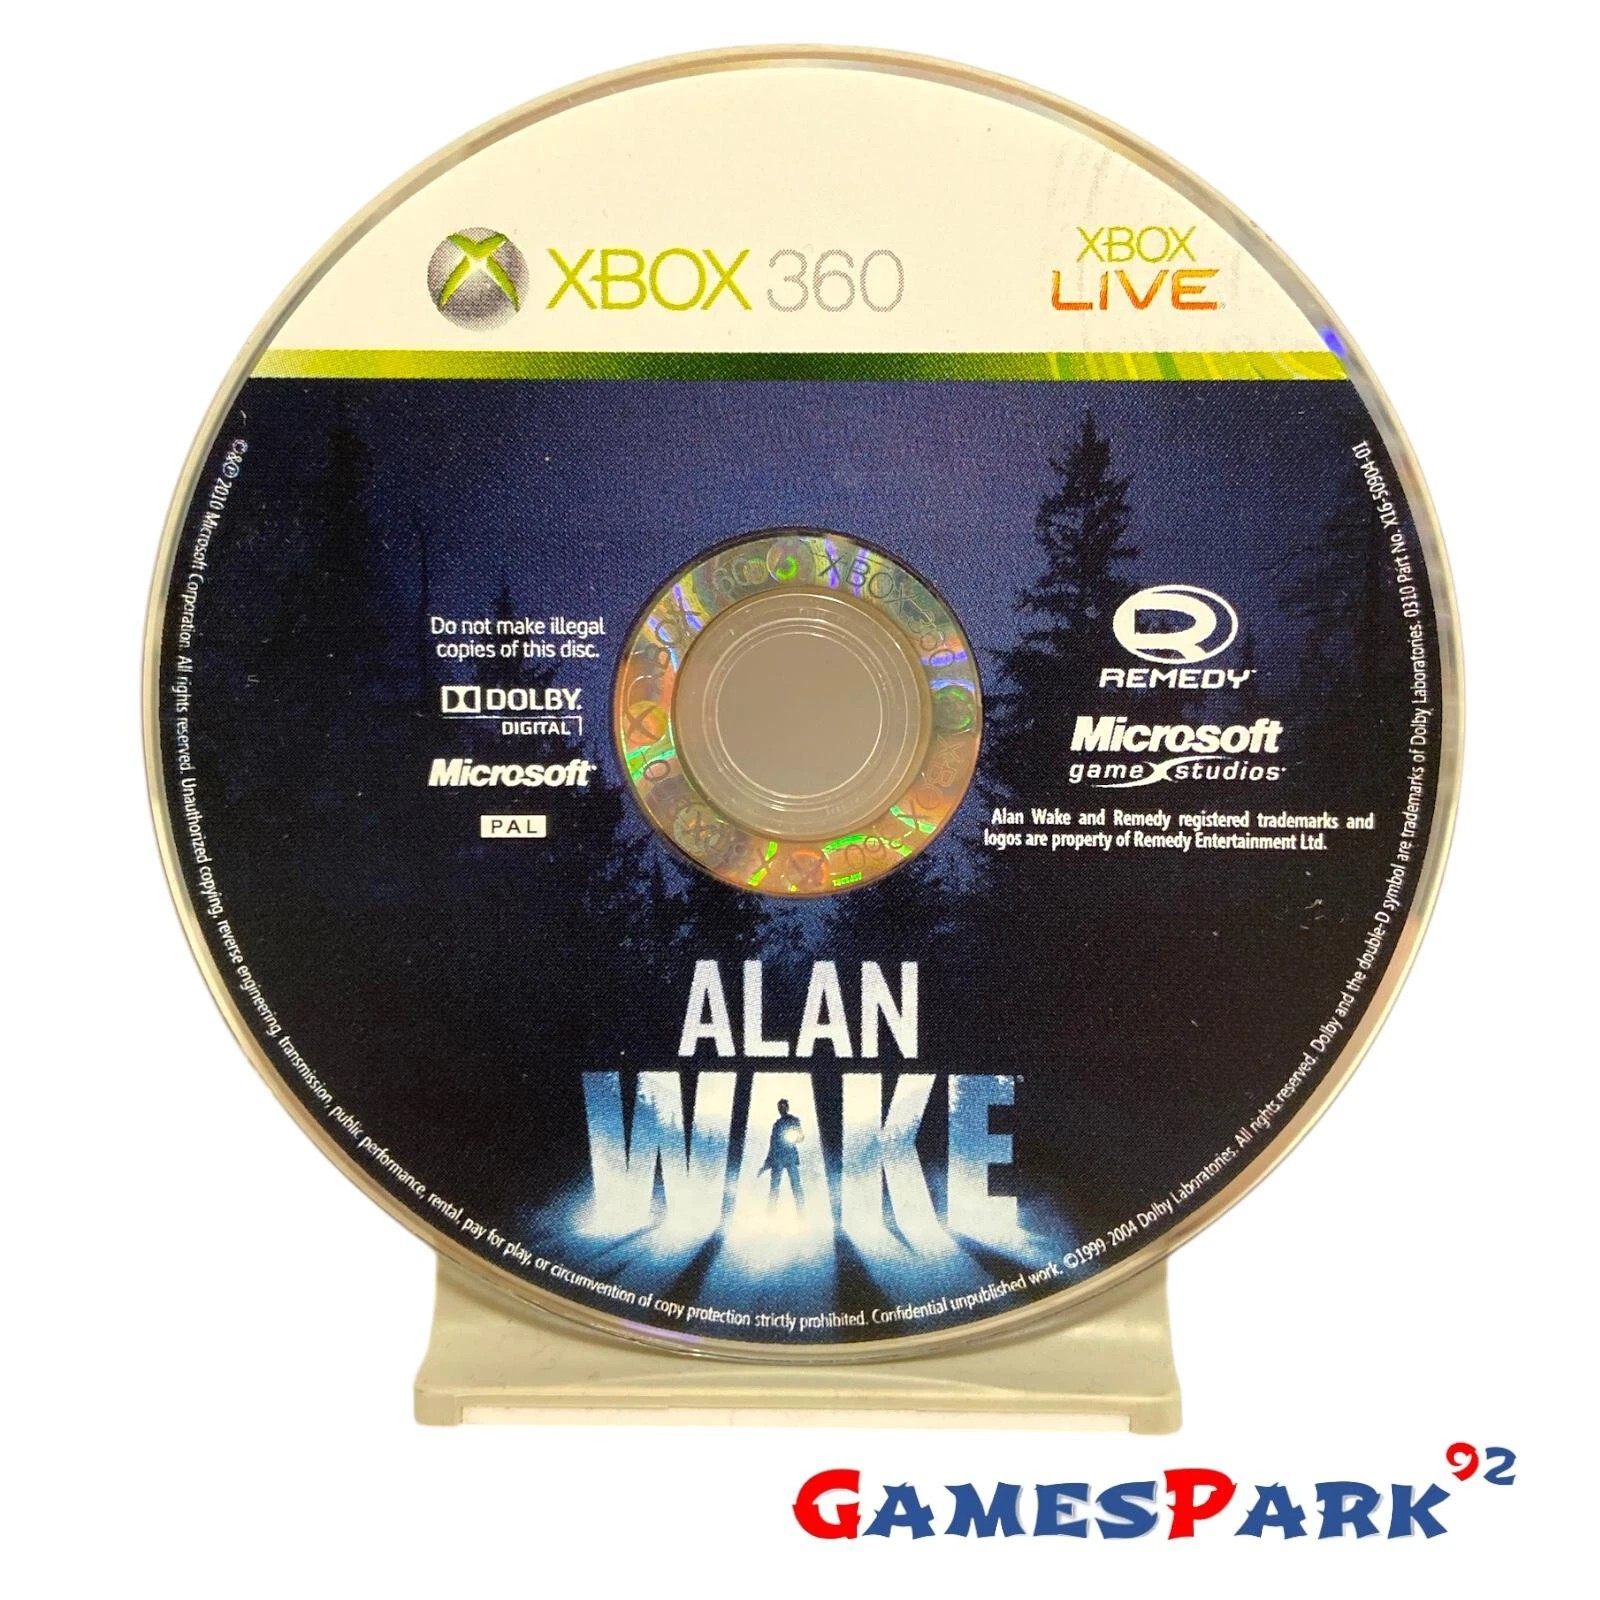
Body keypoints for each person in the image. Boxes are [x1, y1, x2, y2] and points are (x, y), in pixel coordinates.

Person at [759, 1098, 805, 1207]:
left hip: (789, 1157)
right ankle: (771, 1210)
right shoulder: (777, 1124)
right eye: (779, 1107)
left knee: (796, 1185)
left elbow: (801, 1137)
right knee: (774, 1188)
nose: (781, 1109)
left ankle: (801, 1209)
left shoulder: (794, 1120)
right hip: (778, 1158)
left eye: (783, 1107)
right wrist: (766, 1164)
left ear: (787, 1108)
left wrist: (796, 1138)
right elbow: (772, 1145)